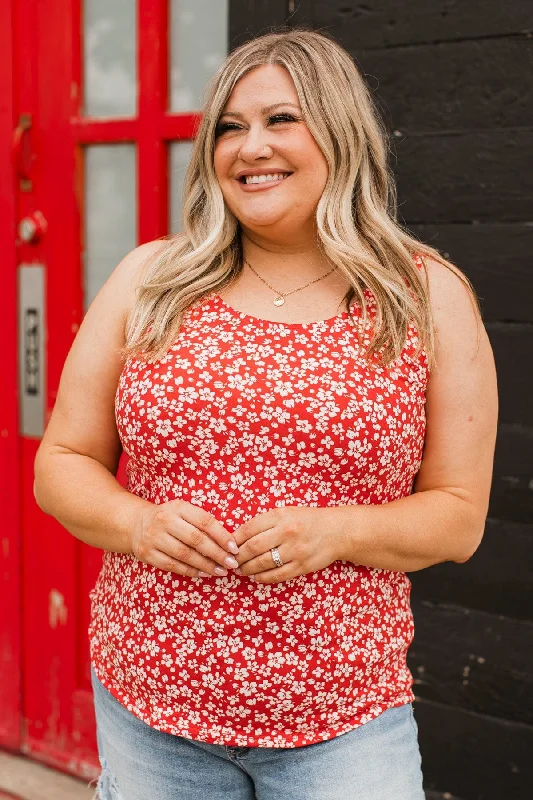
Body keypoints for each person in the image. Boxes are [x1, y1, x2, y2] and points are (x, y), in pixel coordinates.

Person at [34, 27, 498, 800]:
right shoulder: (150, 280)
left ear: (339, 132)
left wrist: (340, 529)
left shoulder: (424, 296)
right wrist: (138, 524)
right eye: (229, 126)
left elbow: (458, 516)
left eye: (281, 119)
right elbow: (62, 464)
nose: (250, 147)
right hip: (151, 709)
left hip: (342, 722)